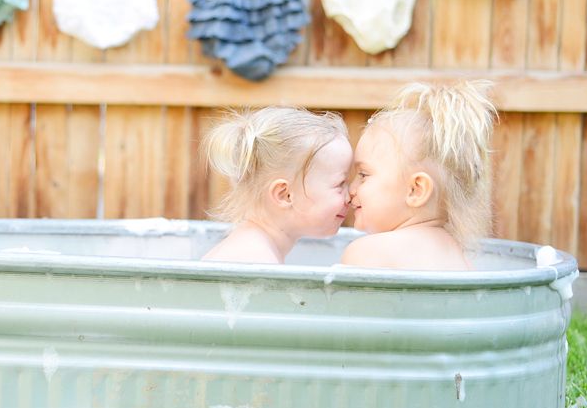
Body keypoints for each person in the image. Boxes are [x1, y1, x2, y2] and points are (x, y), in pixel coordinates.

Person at [340, 81, 497, 270]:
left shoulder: (365, 252)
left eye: (363, 175)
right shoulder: (460, 258)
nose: (351, 189)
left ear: (416, 190)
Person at [201, 106, 352, 264]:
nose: (350, 196)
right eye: (340, 184)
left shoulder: (256, 247)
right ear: (284, 195)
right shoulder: (255, 259)